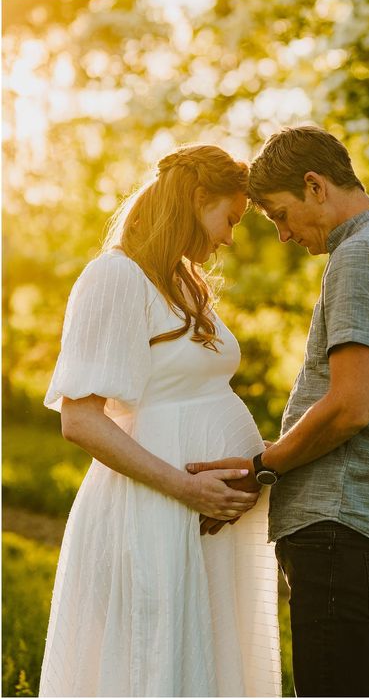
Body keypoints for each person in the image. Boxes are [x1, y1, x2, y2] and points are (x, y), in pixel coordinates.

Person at [187, 126, 369, 697]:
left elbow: (351, 405)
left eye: (280, 214)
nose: (281, 235)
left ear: (314, 185)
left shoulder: (359, 255)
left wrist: (262, 467)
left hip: (338, 522)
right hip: (368, 519)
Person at [39, 144, 281, 698]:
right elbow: (80, 420)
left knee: (211, 653)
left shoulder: (185, 284)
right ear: (197, 200)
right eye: (229, 218)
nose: (229, 237)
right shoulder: (116, 278)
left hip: (203, 509)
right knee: (155, 657)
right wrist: (186, 488)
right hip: (156, 505)